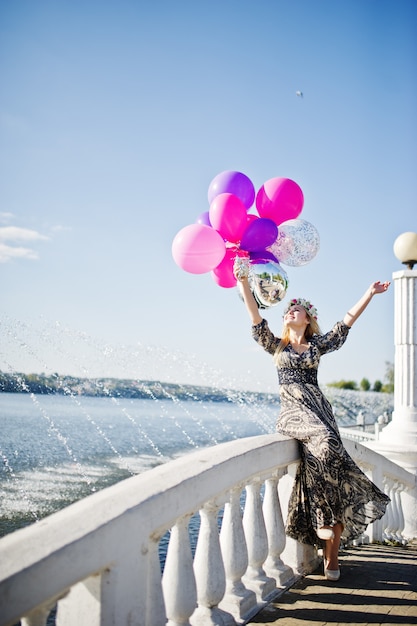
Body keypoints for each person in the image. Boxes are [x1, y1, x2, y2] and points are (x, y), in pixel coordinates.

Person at [235, 265, 391, 582]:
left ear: (307, 319)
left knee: (331, 474)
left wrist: (369, 294)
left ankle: (331, 560)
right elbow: (254, 315)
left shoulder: (317, 345)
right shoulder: (276, 345)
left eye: (296, 310)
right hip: (294, 411)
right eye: (288, 310)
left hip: (319, 409)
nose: (290, 312)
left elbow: (345, 324)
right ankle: (326, 526)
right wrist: (243, 282)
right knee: (329, 444)